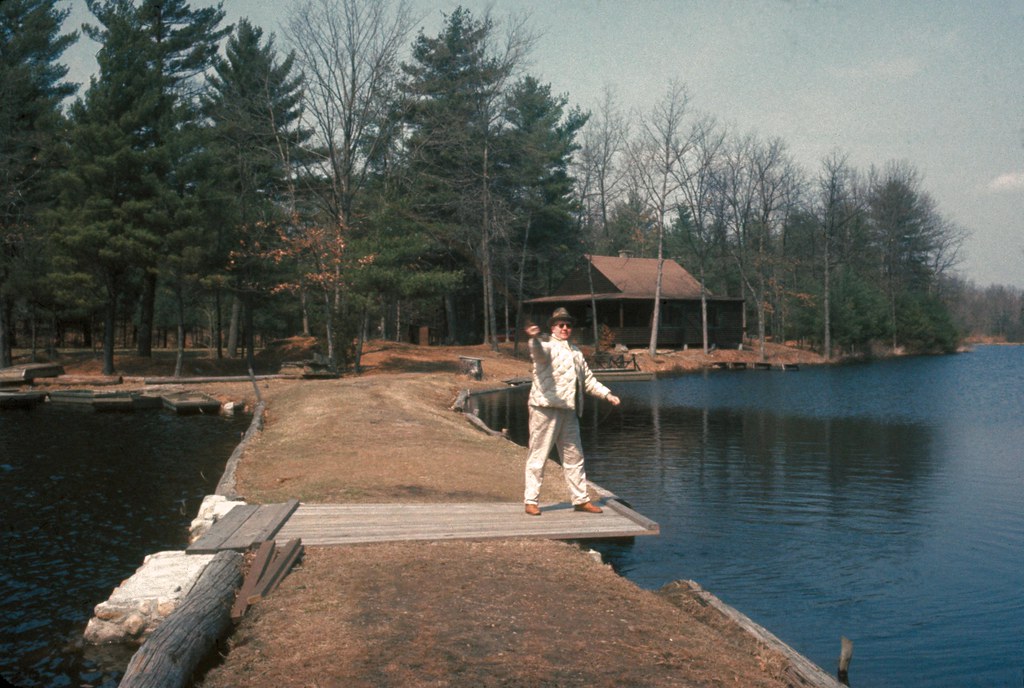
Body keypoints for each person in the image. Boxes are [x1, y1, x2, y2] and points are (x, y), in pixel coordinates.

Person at [523, 307, 620, 516]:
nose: (565, 328)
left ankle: (580, 500)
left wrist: (607, 395)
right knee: (538, 456)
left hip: (568, 410)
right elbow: (538, 354)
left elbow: (588, 381)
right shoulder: (545, 345)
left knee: (575, 457)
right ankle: (531, 500)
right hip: (544, 408)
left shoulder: (576, 352)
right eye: (561, 325)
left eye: (568, 325)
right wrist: (533, 339)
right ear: (553, 327)